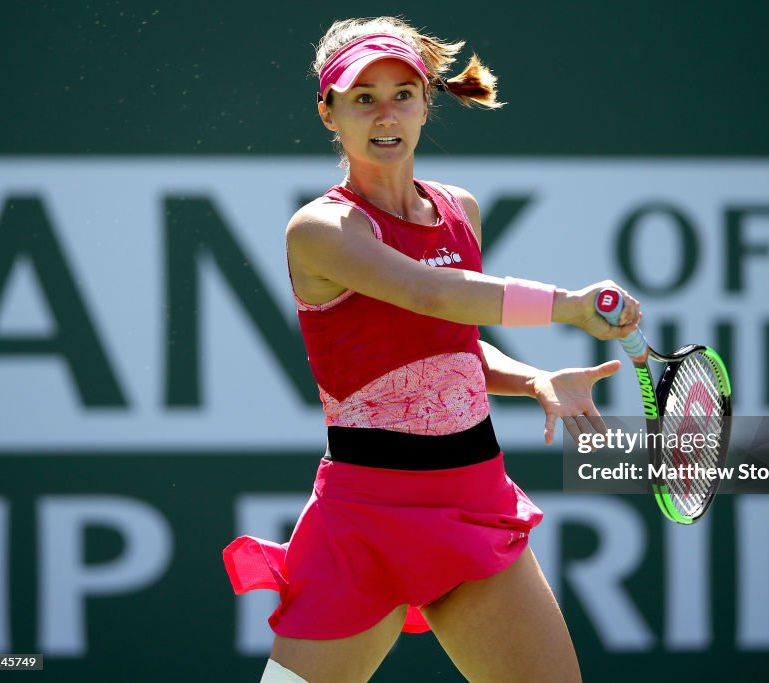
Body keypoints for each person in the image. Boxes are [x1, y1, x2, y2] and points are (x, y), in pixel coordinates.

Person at [223, 16, 641, 683]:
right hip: (364, 519)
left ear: (425, 105)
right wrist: (566, 305)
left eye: (403, 94)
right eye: (363, 97)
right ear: (328, 112)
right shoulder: (322, 228)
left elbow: (447, 346)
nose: (385, 114)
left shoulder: (459, 209)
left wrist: (533, 380)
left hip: (474, 500)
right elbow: (432, 295)